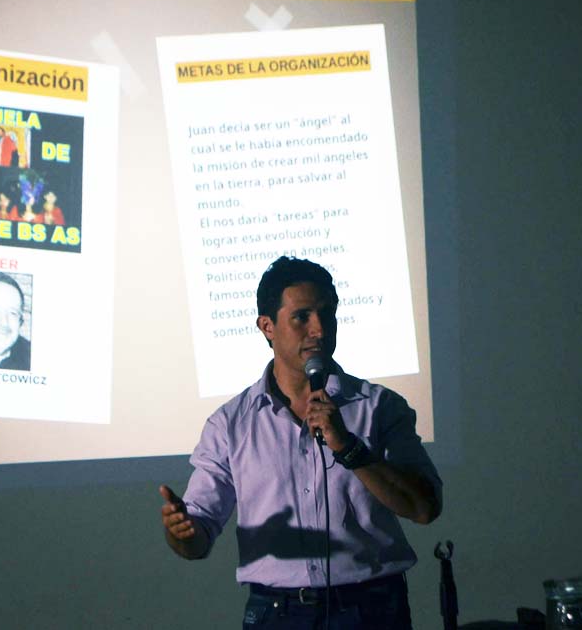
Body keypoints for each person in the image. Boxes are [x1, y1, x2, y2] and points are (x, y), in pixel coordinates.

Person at [159, 257, 442, 629]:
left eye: (328, 314)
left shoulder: (379, 407)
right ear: (267, 327)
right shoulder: (229, 424)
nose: (319, 329)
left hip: (372, 610)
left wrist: (349, 448)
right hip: (277, 614)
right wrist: (181, 532)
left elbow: (424, 508)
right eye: (302, 316)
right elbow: (198, 537)